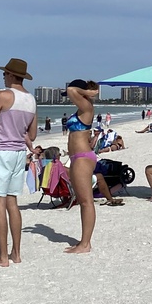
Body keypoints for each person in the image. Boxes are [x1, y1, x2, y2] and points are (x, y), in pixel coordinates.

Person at [0, 58, 38, 267]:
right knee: (13, 203)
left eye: (5, 74)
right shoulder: (31, 100)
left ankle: (3, 257)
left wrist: (2, 130)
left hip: (2, 153)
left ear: (12, 75)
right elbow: (32, 133)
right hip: (19, 154)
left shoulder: (3, 96)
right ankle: (16, 253)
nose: (3, 77)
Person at [63, 79, 101, 253]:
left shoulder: (87, 107)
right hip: (78, 157)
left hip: (83, 158)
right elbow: (71, 91)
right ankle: (83, 242)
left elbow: (71, 89)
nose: (70, 98)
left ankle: (85, 244)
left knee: (86, 202)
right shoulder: (82, 108)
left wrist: (88, 92)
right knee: (83, 201)